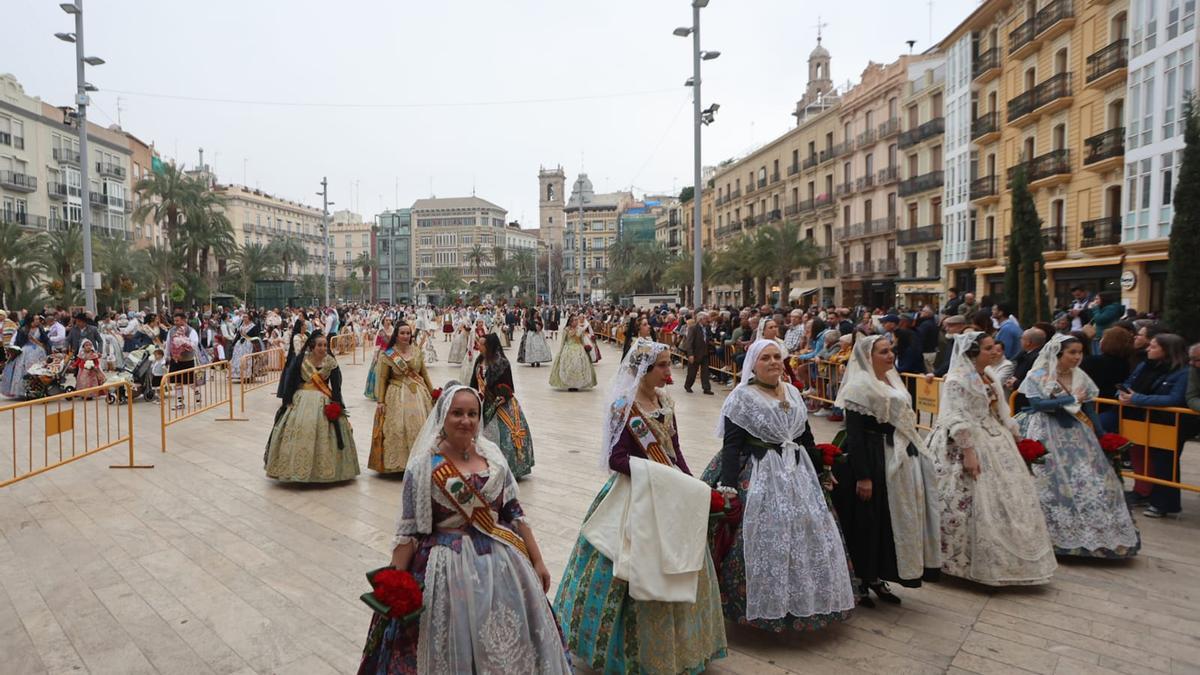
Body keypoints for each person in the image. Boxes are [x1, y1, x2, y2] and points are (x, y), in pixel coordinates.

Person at [356, 384, 570, 674]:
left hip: (503, 568)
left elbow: (514, 512)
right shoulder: (423, 467)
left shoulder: (493, 457)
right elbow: (409, 532)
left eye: (472, 413)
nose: (465, 421)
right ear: (443, 416)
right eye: (457, 413)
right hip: (445, 571)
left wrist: (538, 559)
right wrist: (394, 582)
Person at [554, 339, 727, 673]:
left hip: (667, 490)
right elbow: (616, 458)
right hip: (635, 495)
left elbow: (675, 453)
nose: (668, 370)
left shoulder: (665, 401)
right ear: (644, 370)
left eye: (667, 363)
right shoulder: (624, 406)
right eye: (662, 365)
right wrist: (656, 474)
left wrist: (693, 486)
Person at [700, 339, 856, 632]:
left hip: (797, 472)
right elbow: (732, 446)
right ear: (753, 365)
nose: (773, 362)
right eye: (765, 358)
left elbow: (804, 437)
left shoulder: (794, 393)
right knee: (765, 533)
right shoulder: (741, 398)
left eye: (777, 357)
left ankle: (803, 602)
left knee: (806, 531)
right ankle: (755, 605)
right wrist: (728, 488)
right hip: (758, 471)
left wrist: (821, 464)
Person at [927, 331, 1057, 586]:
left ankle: (1010, 561)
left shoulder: (988, 375)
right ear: (973, 353)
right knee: (965, 499)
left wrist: (1015, 436)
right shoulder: (957, 379)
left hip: (994, 438)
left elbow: (1000, 410)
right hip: (965, 442)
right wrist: (968, 451)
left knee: (1009, 499)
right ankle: (957, 562)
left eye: (995, 347)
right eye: (988, 348)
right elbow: (955, 416)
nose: (995, 351)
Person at [831, 335, 941, 605]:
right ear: (868, 357)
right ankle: (860, 579)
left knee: (887, 522)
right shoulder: (858, 387)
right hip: (872, 456)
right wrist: (863, 475)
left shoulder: (893, 379)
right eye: (883, 352)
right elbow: (854, 436)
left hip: (896, 456)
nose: (890, 355)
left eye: (891, 350)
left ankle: (878, 576)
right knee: (868, 522)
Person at [1016, 335, 1140, 557]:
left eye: (1080, 352)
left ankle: (1093, 535)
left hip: (1077, 432)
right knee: (1049, 479)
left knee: (1086, 479)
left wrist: (1102, 435)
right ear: (1058, 354)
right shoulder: (1039, 375)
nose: (1077, 357)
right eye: (1072, 352)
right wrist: (1069, 398)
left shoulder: (1080, 376)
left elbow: (1089, 408)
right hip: (1046, 429)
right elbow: (1037, 404)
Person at [264, 332, 360, 483]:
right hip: (301, 400)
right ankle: (295, 468)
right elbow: (290, 382)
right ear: (312, 346)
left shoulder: (331, 362)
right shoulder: (301, 360)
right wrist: (287, 401)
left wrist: (337, 404)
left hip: (324, 401)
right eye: (319, 345)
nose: (323, 348)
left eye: (325, 345)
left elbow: (336, 387)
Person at [1119, 332, 1190, 518]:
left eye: (1153, 346)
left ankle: (1163, 503)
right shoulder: (1146, 365)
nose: (1148, 349)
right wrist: (1124, 394)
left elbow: (1174, 398)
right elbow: (1129, 383)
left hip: (1169, 422)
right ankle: (1144, 492)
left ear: (1167, 350)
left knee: (1165, 462)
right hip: (1143, 417)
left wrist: (1137, 398)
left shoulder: (1182, 372)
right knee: (1141, 455)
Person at [370, 322, 435, 475]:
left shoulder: (417, 351)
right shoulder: (388, 354)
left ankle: (418, 461)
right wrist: (380, 401)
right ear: (396, 336)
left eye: (408, 333)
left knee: (420, 427)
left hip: (418, 393)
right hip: (396, 393)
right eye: (402, 333)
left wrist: (433, 393)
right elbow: (382, 379)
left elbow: (424, 374)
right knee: (397, 427)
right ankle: (398, 463)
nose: (406, 336)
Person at [473, 333, 536, 480]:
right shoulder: (479, 361)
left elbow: (508, 385)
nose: (478, 347)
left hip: (503, 403)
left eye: (481, 344)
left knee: (508, 435)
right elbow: (475, 382)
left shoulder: (501, 363)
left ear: (489, 346)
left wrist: (502, 395)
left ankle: (513, 468)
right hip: (486, 402)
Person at [1, 314, 48, 399]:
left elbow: (46, 340)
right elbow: (17, 341)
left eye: (38, 319)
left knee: (39, 370)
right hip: (25, 352)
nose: (38, 321)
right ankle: (24, 390)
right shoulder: (23, 330)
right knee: (24, 370)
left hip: (39, 351)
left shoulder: (40, 329)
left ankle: (39, 389)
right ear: (31, 321)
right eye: (36, 319)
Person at [548, 314, 597, 391]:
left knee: (578, 366)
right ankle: (570, 384)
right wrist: (560, 353)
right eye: (574, 320)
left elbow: (582, 341)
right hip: (568, 349)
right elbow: (563, 342)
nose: (576, 321)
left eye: (576, 320)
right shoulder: (566, 330)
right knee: (569, 366)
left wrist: (586, 348)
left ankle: (577, 384)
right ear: (570, 322)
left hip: (579, 349)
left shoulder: (580, 329)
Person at [684, 312, 713, 395]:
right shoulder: (693, 328)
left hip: (705, 353)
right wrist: (690, 354)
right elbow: (689, 342)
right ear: (701, 319)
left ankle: (706, 388)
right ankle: (688, 385)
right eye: (706, 319)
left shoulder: (707, 327)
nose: (707, 320)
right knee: (692, 372)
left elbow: (709, 337)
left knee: (705, 372)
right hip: (695, 353)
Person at [229, 311, 261, 382]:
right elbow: (238, 335)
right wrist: (233, 344)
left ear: (249, 318)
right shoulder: (241, 326)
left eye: (246, 317)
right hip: (239, 346)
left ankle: (248, 376)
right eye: (243, 317)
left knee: (248, 360)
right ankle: (239, 375)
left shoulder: (253, 326)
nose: (244, 318)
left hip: (249, 345)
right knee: (237, 359)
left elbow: (256, 337)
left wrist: (257, 347)